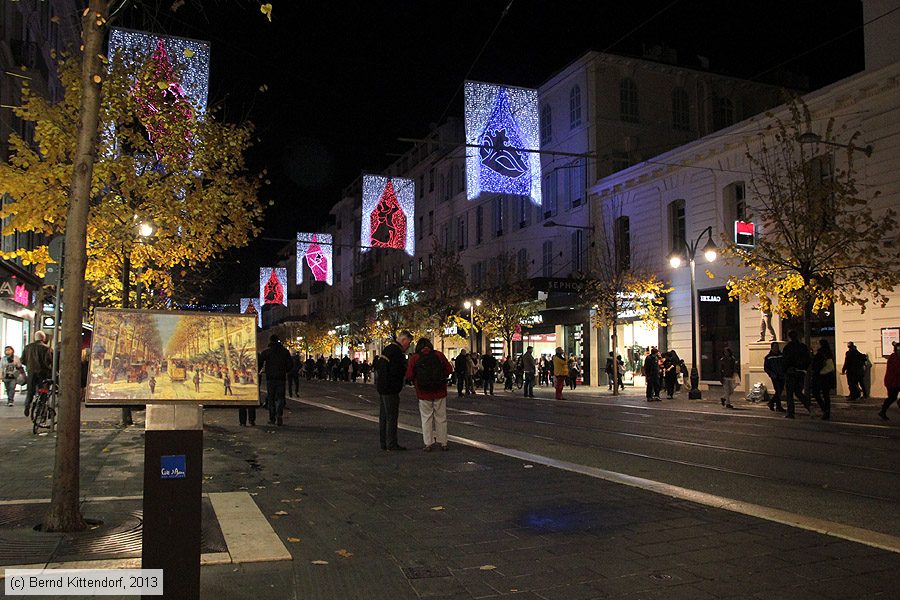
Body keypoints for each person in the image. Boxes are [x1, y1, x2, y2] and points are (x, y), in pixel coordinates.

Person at [405, 337, 454, 451]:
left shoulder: (415, 358)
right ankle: (443, 442)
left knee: (426, 418)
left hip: (423, 392)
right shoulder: (439, 355)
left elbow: (409, 375)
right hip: (439, 390)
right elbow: (449, 369)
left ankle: (428, 443)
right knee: (441, 417)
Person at [377, 330, 412, 451]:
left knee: (384, 416)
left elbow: (380, 367)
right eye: (408, 343)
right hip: (391, 388)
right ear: (403, 340)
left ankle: (384, 442)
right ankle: (391, 443)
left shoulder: (387, 349)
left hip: (382, 387)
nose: (408, 346)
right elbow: (396, 371)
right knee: (391, 416)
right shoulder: (397, 352)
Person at [258, 334, 292, 426]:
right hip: (281, 377)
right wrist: (285, 370)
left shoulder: (267, 352)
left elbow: (260, 360)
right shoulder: (284, 352)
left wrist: (261, 370)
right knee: (280, 397)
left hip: (270, 377)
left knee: (271, 398)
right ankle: (279, 414)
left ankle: (272, 418)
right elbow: (290, 364)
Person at [782, 330, 812, 419]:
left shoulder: (788, 347)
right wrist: (804, 369)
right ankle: (809, 406)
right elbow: (808, 359)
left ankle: (790, 412)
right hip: (801, 372)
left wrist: (785, 370)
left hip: (791, 372)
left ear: (789, 337)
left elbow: (785, 361)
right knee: (798, 392)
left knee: (790, 393)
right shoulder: (803, 347)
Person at [21, 331, 52, 416]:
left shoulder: (27, 347)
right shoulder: (46, 348)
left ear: (35, 338)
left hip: (31, 372)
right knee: (43, 390)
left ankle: (27, 405)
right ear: (43, 338)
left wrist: (29, 365)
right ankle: (40, 408)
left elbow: (22, 360)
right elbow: (49, 360)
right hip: (43, 372)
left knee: (30, 390)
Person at [810, 339, 834, 420]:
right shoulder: (829, 353)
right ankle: (827, 411)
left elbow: (816, 365)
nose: (817, 345)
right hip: (828, 376)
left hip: (820, 376)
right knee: (826, 395)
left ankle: (825, 409)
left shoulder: (820, 353)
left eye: (818, 344)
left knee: (816, 393)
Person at [878, 341, 900, 421]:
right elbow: (897, 370)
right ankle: (882, 411)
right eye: (898, 350)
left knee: (892, 397)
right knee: (892, 397)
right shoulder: (893, 358)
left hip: (896, 381)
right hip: (892, 382)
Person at [763, 342, 786, 412]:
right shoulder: (768, 357)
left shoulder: (781, 355)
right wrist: (771, 374)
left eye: (777, 346)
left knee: (779, 391)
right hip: (775, 376)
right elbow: (766, 368)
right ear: (772, 348)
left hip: (782, 375)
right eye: (775, 347)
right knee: (778, 390)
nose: (777, 348)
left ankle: (773, 403)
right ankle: (776, 405)